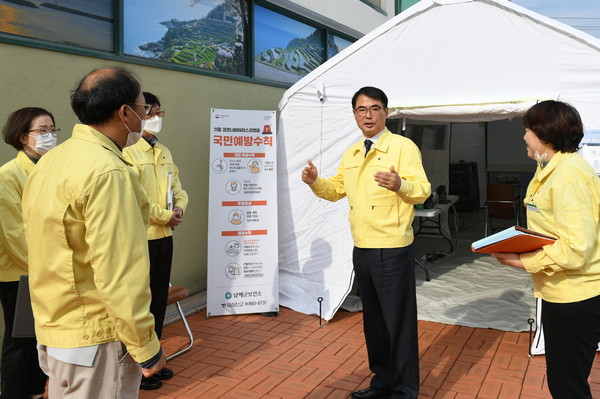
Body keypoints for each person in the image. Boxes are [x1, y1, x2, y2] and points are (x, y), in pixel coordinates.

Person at [21, 67, 166, 398]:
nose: (146, 117)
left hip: (55, 326)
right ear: (125, 113)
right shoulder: (108, 171)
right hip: (97, 335)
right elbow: (119, 273)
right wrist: (145, 345)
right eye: (144, 109)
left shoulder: (52, 161)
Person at [301, 86, 431, 399]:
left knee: (397, 323)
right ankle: (382, 382)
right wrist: (315, 181)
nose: (368, 115)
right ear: (355, 114)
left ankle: (404, 390)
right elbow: (335, 190)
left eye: (374, 108)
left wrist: (399, 183)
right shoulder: (353, 151)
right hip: (362, 249)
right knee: (374, 322)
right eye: (361, 109)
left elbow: (422, 190)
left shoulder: (403, 147)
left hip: (392, 248)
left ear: (386, 112)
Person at [491, 100, 600, 399]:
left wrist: (521, 261)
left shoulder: (568, 176)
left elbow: (576, 248)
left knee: (568, 385)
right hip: (560, 290)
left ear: (543, 134)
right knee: (564, 380)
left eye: (526, 130)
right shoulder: (551, 168)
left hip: (576, 296)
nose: (524, 137)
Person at [123, 91, 188, 390]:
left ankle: (156, 358)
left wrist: (179, 210)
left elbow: (178, 187)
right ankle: (138, 368)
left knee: (158, 300)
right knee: (141, 302)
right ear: (137, 114)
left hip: (164, 236)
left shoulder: (164, 151)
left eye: (161, 113)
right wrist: (165, 215)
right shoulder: (127, 151)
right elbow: (138, 199)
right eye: (151, 112)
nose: (157, 118)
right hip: (141, 237)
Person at [0, 107, 56, 398]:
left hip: (47, 270)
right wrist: (50, 269)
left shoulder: (53, 172)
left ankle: (35, 391)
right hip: (19, 273)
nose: (49, 136)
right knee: (20, 340)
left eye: (52, 130)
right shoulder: (7, 176)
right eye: (42, 131)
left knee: (40, 338)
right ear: (23, 136)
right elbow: (15, 236)